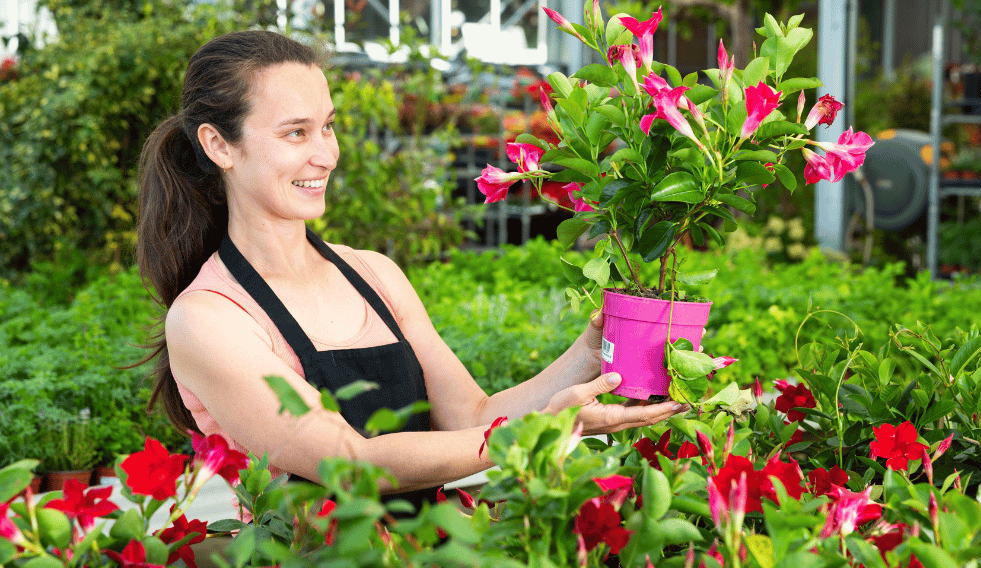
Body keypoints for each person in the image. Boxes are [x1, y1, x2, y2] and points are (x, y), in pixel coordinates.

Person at [135, 29, 685, 503]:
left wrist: (589, 356)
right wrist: (531, 435)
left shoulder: (372, 273)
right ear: (218, 146)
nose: (325, 153)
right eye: (295, 132)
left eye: (327, 126)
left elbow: (472, 416)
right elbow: (348, 462)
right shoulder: (209, 319)